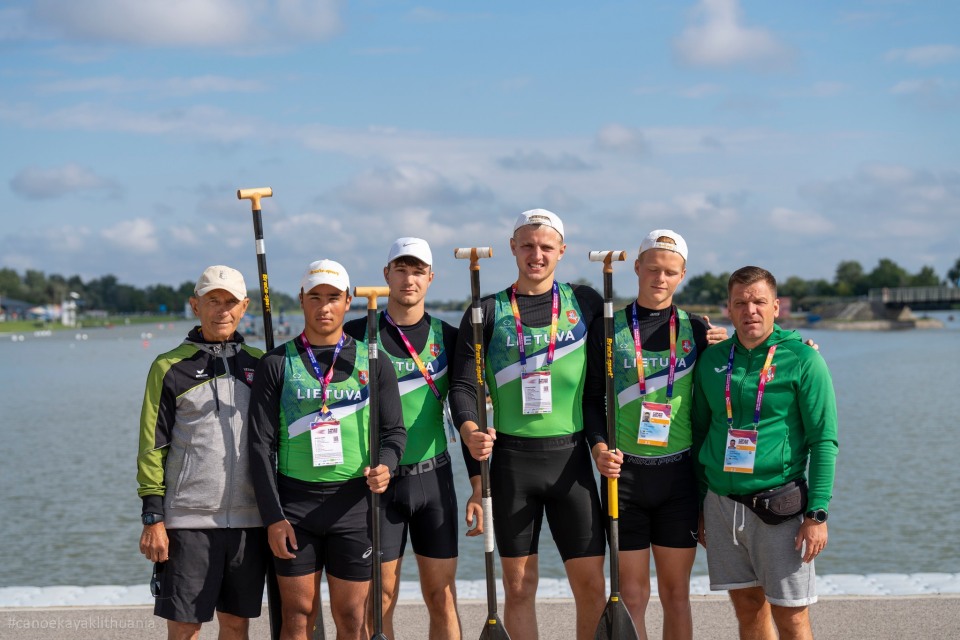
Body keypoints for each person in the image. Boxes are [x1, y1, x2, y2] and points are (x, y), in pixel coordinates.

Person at [449, 209, 607, 640]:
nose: (536, 254)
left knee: (592, 586)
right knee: (518, 588)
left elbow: (631, 341)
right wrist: (467, 430)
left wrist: (703, 332)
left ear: (561, 251)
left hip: (571, 461)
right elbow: (463, 386)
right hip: (512, 464)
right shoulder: (486, 310)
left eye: (546, 247)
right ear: (513, 247)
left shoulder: (586, 302)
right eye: (527, 245)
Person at [248, 259, 406, 640]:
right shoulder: (276, 364)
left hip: (354, 506)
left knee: (352, 618)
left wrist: (385, 465)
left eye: (333, 297)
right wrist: (273, 517)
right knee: (298, 617)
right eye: (314, 297)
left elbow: (394, 434)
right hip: (295, 508)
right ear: (301, 300)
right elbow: (258, 446)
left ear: (348, 301)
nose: (324, 307)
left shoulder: (374, 362)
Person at [584, 230, 727, 640]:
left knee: (676, 594)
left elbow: (751, 361)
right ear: (637, 268)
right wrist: (597, 448)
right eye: (652, 270)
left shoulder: (698, 331)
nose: (659, 279)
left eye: (669, 272)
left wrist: (802, 346)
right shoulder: (607, 328)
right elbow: (592, 399)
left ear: (682, 275)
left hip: (678, 478)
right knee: (631, 595)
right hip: (624, 476)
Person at [692, 266, 838, 640]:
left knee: (792, 616)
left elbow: (824, 440)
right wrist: (700, 505)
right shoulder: (712, 360)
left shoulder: (804, 360)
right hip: (722, 505)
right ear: (728, 308)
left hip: (780, 506)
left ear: (776, 306)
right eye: (740, 302)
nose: (750, 310)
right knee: (748, 611)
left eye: (759, 302)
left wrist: (817, 513)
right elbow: (700, 433)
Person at [137, 265, 267, 640]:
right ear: (196, 305)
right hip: (187, 522)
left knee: (236, 625)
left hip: (249, 522)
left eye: (230, 302)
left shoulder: (261, 363)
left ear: (244, 307)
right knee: (185, 627)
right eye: (212, 300)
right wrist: (153, 517)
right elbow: (151, 446)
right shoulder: (168, 366)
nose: (221, 310)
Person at [343, 237, 463, 639]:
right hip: (377, 483)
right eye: (401, 269)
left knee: (441, 596)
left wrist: (479, 486)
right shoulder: (357, 334)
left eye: (417, 271)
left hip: (434, 479)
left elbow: (467, 403)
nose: (408, 279)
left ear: (431, 278)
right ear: (386, 276)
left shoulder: (448, 336)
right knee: (380, 597)